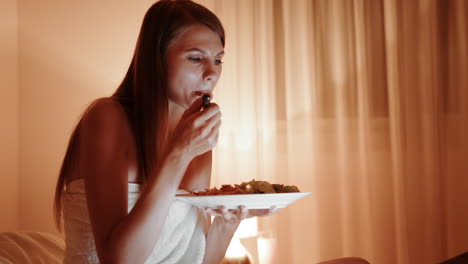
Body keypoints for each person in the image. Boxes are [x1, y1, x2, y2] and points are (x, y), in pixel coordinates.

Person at [53, 1, 369, 263]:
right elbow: (119, 259)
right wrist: (178, 154)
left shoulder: (198, 141)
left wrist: (227, 223)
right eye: (196, 58)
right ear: (156, 59)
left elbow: (195, 258)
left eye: (218, 60)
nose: (211, 73)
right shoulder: (107, 118)